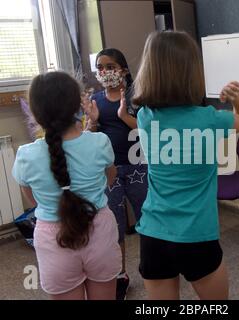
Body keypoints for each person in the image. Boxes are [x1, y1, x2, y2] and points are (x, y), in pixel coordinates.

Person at [132, 30, 239, 300]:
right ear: (192, 72)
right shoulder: (210, 119)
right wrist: (234, 97)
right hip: (196, 235)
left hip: (153, 234)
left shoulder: (145, 117)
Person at [12, 71, 121, 300]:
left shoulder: (26, 155)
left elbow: (30, 195)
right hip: (99, 227)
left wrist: (56, 205)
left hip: (53, 237)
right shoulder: (100, 142)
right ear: (76, 106)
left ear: (35, 112)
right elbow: (109, 179)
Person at [82, 48, 148, 300]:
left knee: (147, 219)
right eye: (100, 67)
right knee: (115, 226)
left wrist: (124, 116)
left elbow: (149, 131)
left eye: (110, 66)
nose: (105, 72)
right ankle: (120, 275)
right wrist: (94, 121)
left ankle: (151, 264)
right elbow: (89, 138)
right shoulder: (95, 100)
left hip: (138, 167)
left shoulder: (137, 97)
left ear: (123, 70)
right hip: (108, 171)